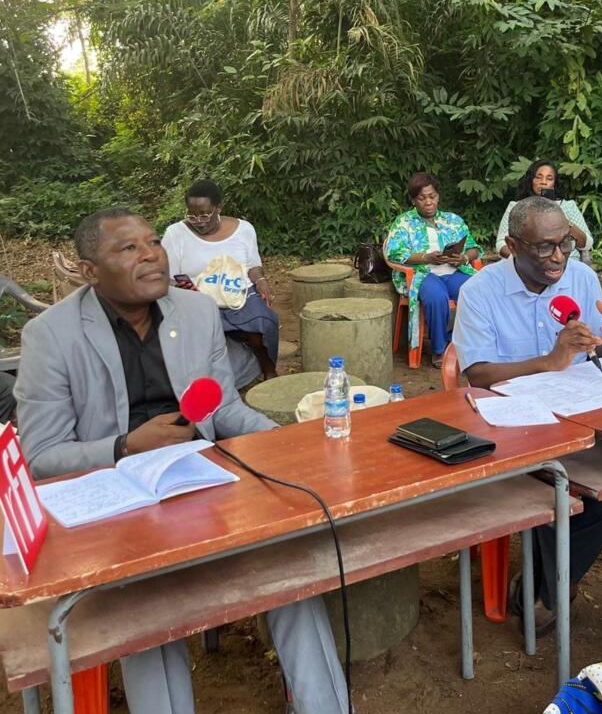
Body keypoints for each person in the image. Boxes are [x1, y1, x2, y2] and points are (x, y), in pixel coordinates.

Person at [14, 208, 350, 714]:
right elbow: (41, 457)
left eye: (152, 242)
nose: (150, 255)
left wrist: (289, 446)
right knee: (148, 614)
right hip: (116, 510)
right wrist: (124, 446)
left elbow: (226, 411)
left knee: (289, 568)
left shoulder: (197, 312)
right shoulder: (51, 336)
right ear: (88, 271)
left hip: (204, 489)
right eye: (127, 249)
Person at [452, 196, 602, 633]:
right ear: (513, 245)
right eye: (544, 247)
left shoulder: (582, 278)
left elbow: (593, 346)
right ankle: (550, 591)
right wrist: (550, 362)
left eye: (565, 245)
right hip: (511, 426)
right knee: (557, 488)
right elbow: (475, 373)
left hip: (580, 417)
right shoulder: (479, 291)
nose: (558, 258)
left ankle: (544, 587)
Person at [162, 179, 278, 383]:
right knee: (185, 333)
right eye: (192, 214)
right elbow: (168, 277)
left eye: (205, 214)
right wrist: (183, 288)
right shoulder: (175, 233)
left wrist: (260, 280)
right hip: (196, 298)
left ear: (218, 208)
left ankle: (267, 366)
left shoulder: (244, 229)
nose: (198, 221)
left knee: (262, 321)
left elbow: (252, 266)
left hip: (238, 293)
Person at [384, 172, 480, 368]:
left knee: (477, 292)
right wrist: (425, 258)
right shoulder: (403, 223)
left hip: (453, 271)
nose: (428, 202)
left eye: (432, 196)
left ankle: (458, 341)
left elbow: (474, 248)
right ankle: (439, 349)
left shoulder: (452, 220)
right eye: (422, 198)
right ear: (413, 200)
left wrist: (463, 258)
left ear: (438, 196)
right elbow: (393, 253)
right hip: (421, 274)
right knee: (437, 297)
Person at [495, 159, 593, 260]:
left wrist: (564, 223)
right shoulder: (517, 207)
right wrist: (522, 261)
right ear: (531, 180)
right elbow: (501, 243)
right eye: (539, 177)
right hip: (527, 266)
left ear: (554, 183)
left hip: (566, 264)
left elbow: (587, 244)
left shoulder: (567, 206)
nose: (544, 182)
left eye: (549, 178)